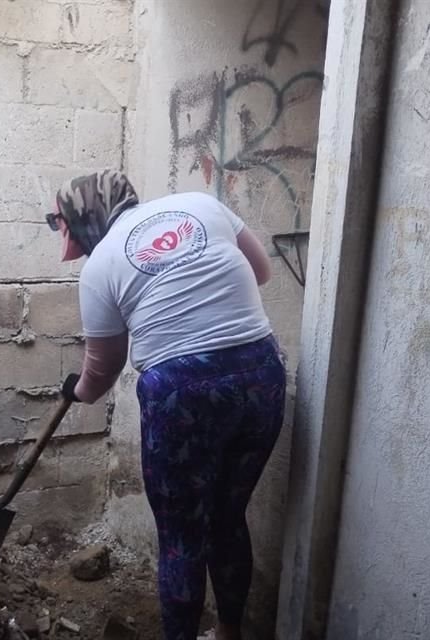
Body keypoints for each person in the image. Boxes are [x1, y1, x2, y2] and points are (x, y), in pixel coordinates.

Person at [48, 171, 286, 640]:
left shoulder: (100, 268)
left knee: (182, 538)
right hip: (260, 375)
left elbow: (102, 370)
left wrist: (75, 392)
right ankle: (229, 633)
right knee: (228, 515)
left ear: (85, 219)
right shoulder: (202, 204)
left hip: (183, 394)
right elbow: (261, 272)